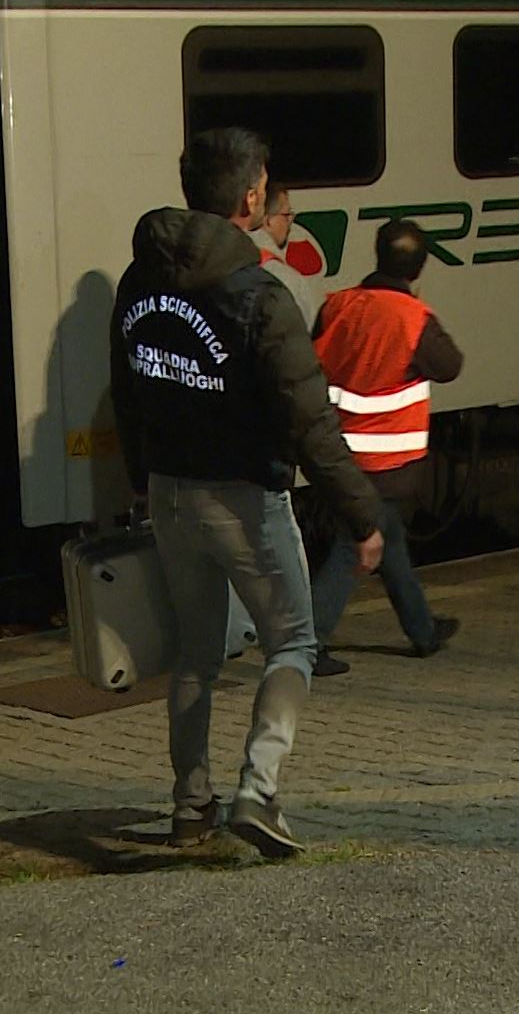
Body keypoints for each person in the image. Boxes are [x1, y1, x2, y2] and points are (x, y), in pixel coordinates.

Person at [108, 127, 384, 857]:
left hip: (170, 494)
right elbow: (310, 420)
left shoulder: (138, 281)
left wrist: (142, 477)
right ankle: (257, 793)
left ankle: (189, 804)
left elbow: (126, 393)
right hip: (244, 501)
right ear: (252, 196)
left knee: (196, 653)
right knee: (292, 642)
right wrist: (362, 516)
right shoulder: (260, 296)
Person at [306, 219, 464, 677]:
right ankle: (307, 643)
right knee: (353, 547)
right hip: (389, 462)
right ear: (419, 267)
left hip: (339, 454)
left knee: (388, 541)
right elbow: (449, 366)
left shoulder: (339, 305)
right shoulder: (413, 318)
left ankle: (423, 630)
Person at [251, 182, 322, 328]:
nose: (290, 222)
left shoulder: (226, 257)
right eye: (286, 215)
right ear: (268, 220)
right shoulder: (288, 281)